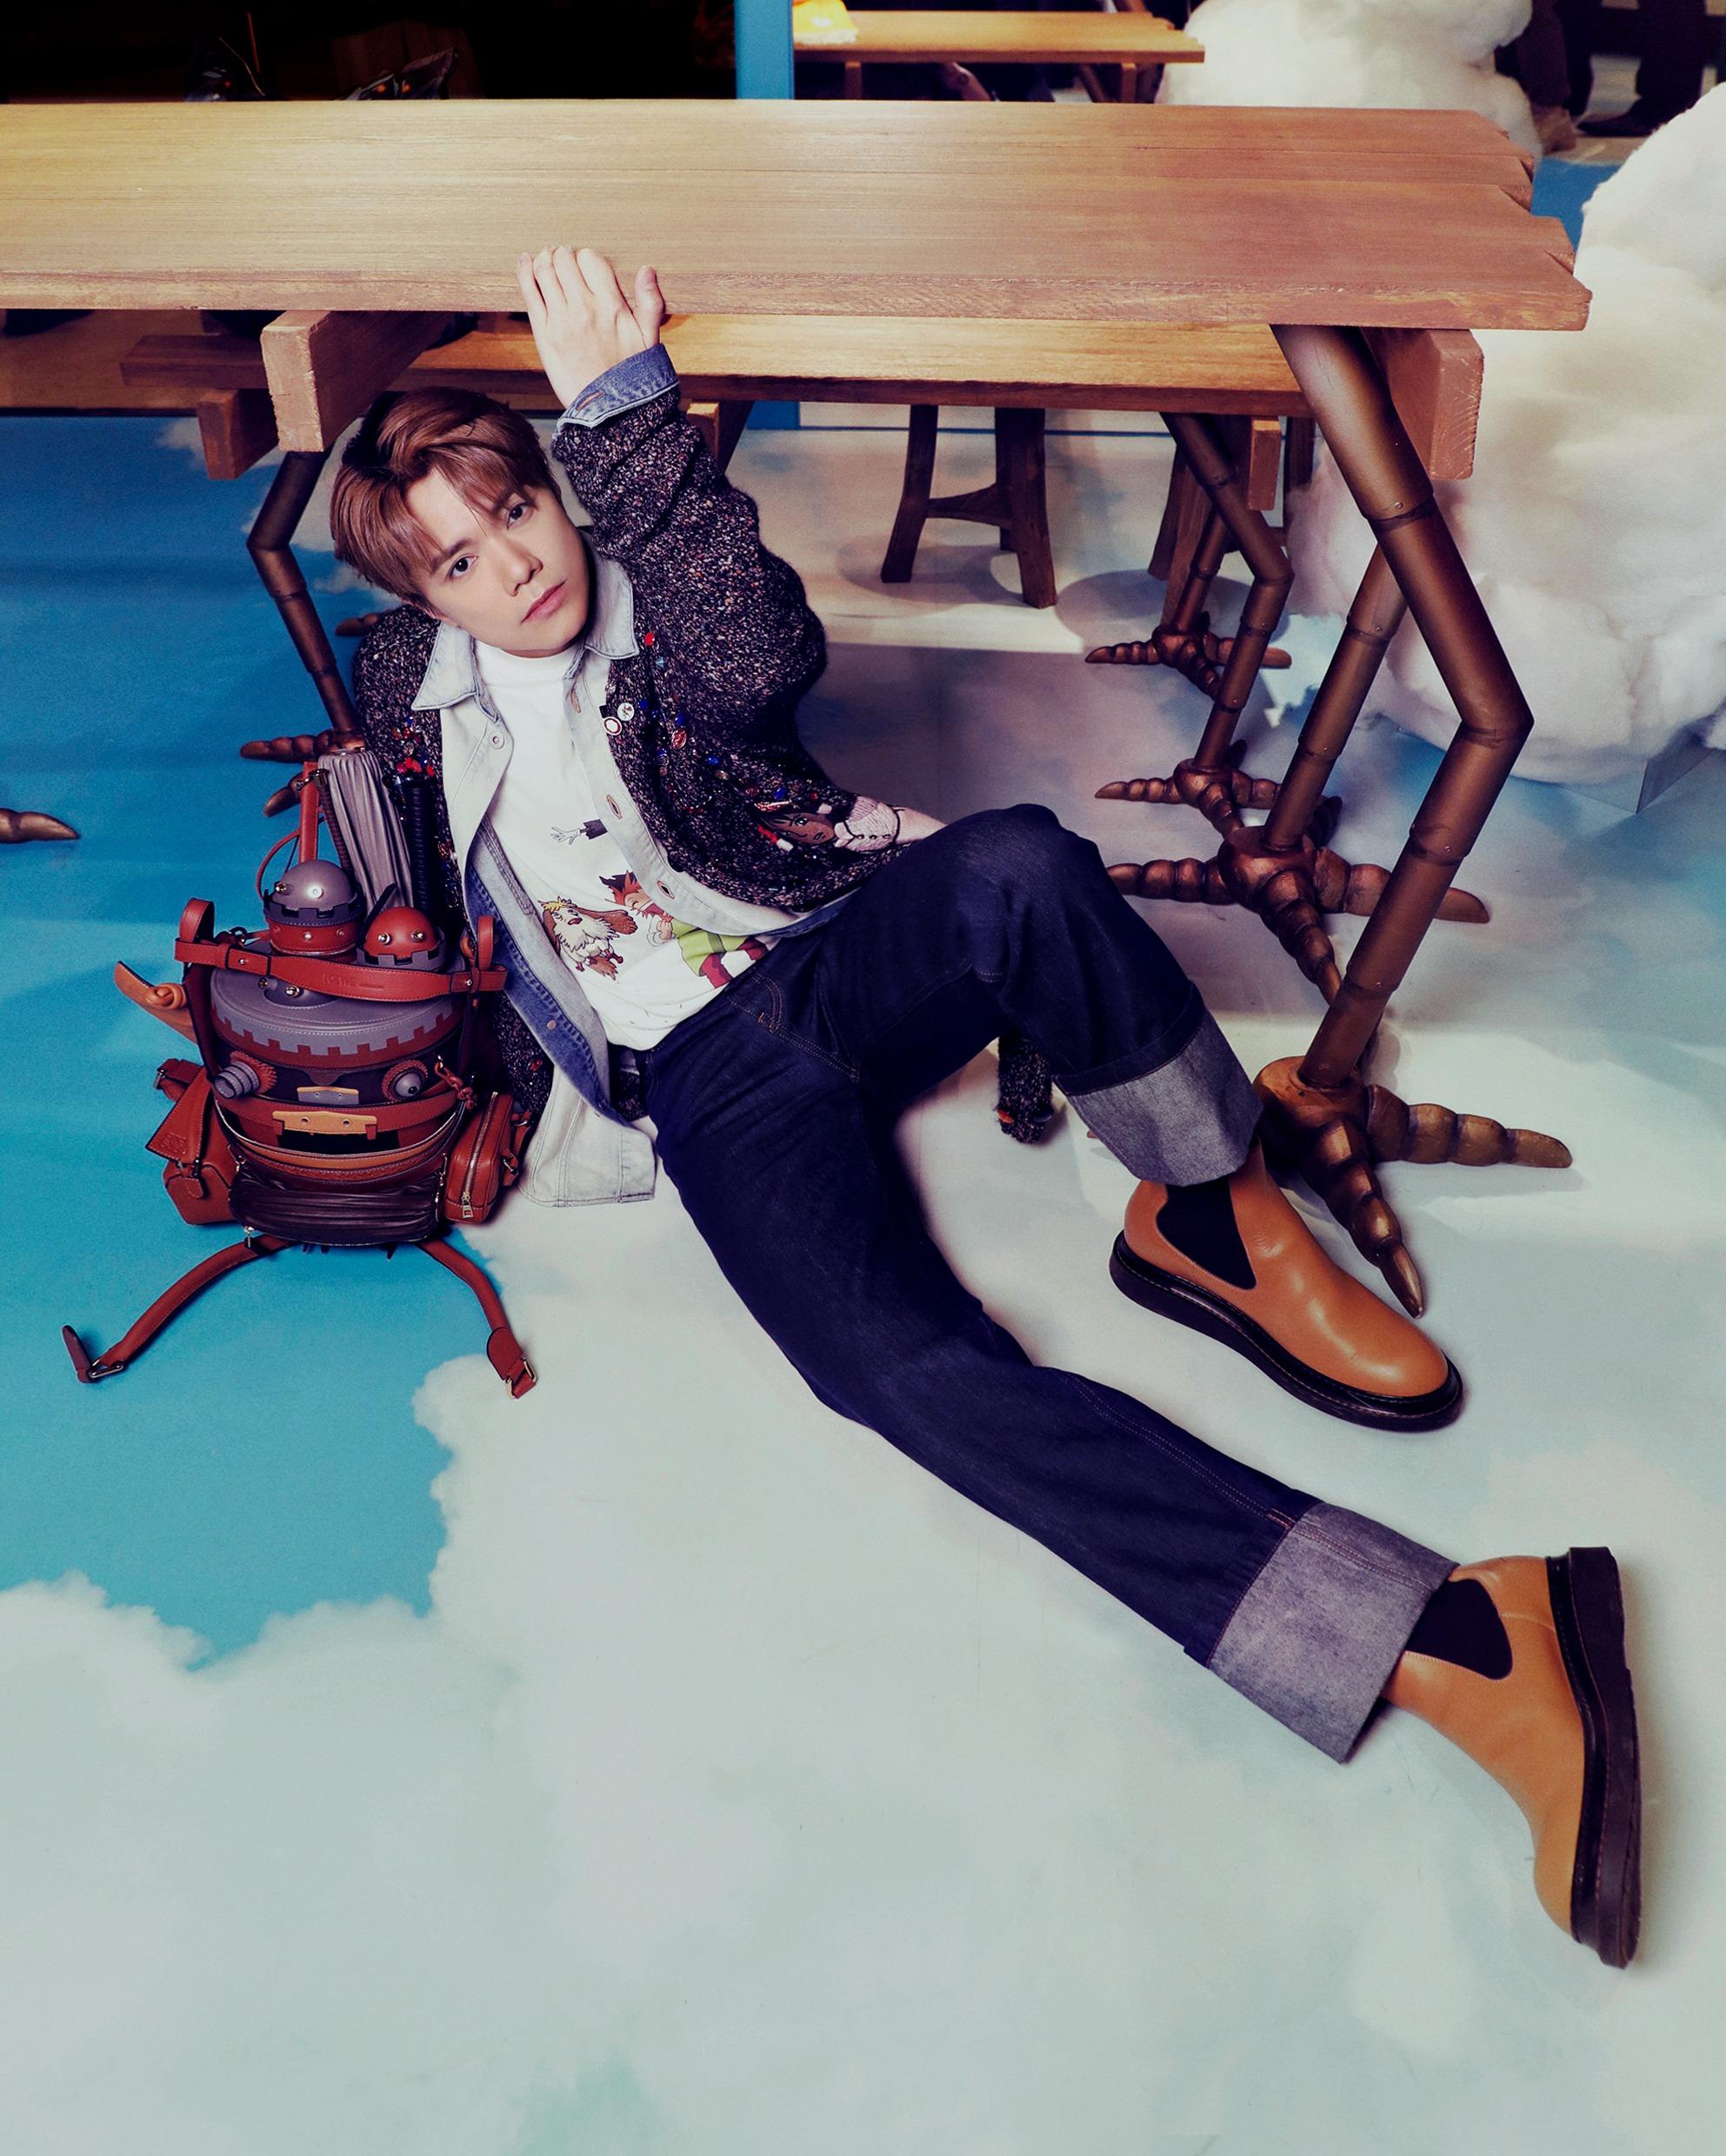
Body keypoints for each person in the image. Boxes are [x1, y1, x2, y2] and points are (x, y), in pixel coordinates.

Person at [328, 243, 1643, 1966]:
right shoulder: (400, 695)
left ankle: (1210, 1207)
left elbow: (760, 658)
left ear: (558, 486)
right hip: (705, 1085)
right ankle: (1455, 1634)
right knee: (893, 1374)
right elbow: (410, 890)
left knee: (1021, 863)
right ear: (421, 595)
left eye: (518, 514)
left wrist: (626, 418)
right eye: (460, 561)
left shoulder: (658, 579)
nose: (515, 569)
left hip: (827, 951)